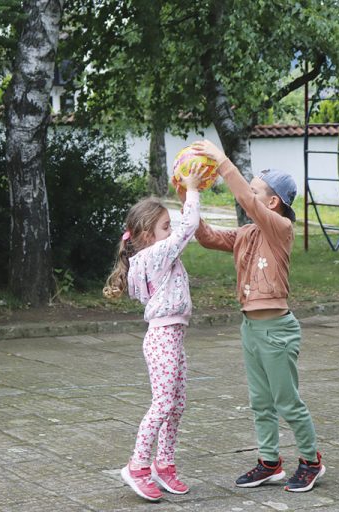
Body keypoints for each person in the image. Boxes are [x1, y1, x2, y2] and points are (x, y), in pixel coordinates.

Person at [189, 140, 326, 493]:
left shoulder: (281, 230)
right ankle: (269, 463)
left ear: (273, 202)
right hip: (251, 329)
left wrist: (222, 162)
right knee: (261, 402)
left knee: (287, 402)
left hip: (277, 331)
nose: (248, 197)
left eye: (255, 192)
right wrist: (188, 192)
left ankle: (311, 461)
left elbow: (247, 203)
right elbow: (206, 237)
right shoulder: (246, 233)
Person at [103, 164, 203, 502]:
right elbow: (189, 228)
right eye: (165, 227)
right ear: (147, 235)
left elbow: (182, 232)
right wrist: (192, 189)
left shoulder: (149, 256)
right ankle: (137, 466)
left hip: (172, 337)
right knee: (162, 404)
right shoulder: (155, 254)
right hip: (163, 339)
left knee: (177, 404)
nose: (171, 231)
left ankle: (164, 464)